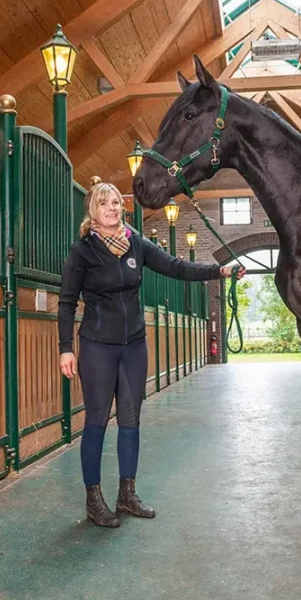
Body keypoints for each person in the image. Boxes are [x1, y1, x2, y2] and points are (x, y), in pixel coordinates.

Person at [58, 181, 244, 528]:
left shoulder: (135, 243)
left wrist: (218, 270)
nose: (112, 208)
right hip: (97, 346)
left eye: (116, 202)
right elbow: (67, 302)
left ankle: (126, 494)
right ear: (93, 211)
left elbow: (177, 266)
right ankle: (93, 499)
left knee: (131, 421)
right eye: (104, 204)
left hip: (134, 345)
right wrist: (65, 348)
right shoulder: (82, 251)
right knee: (97, 421)